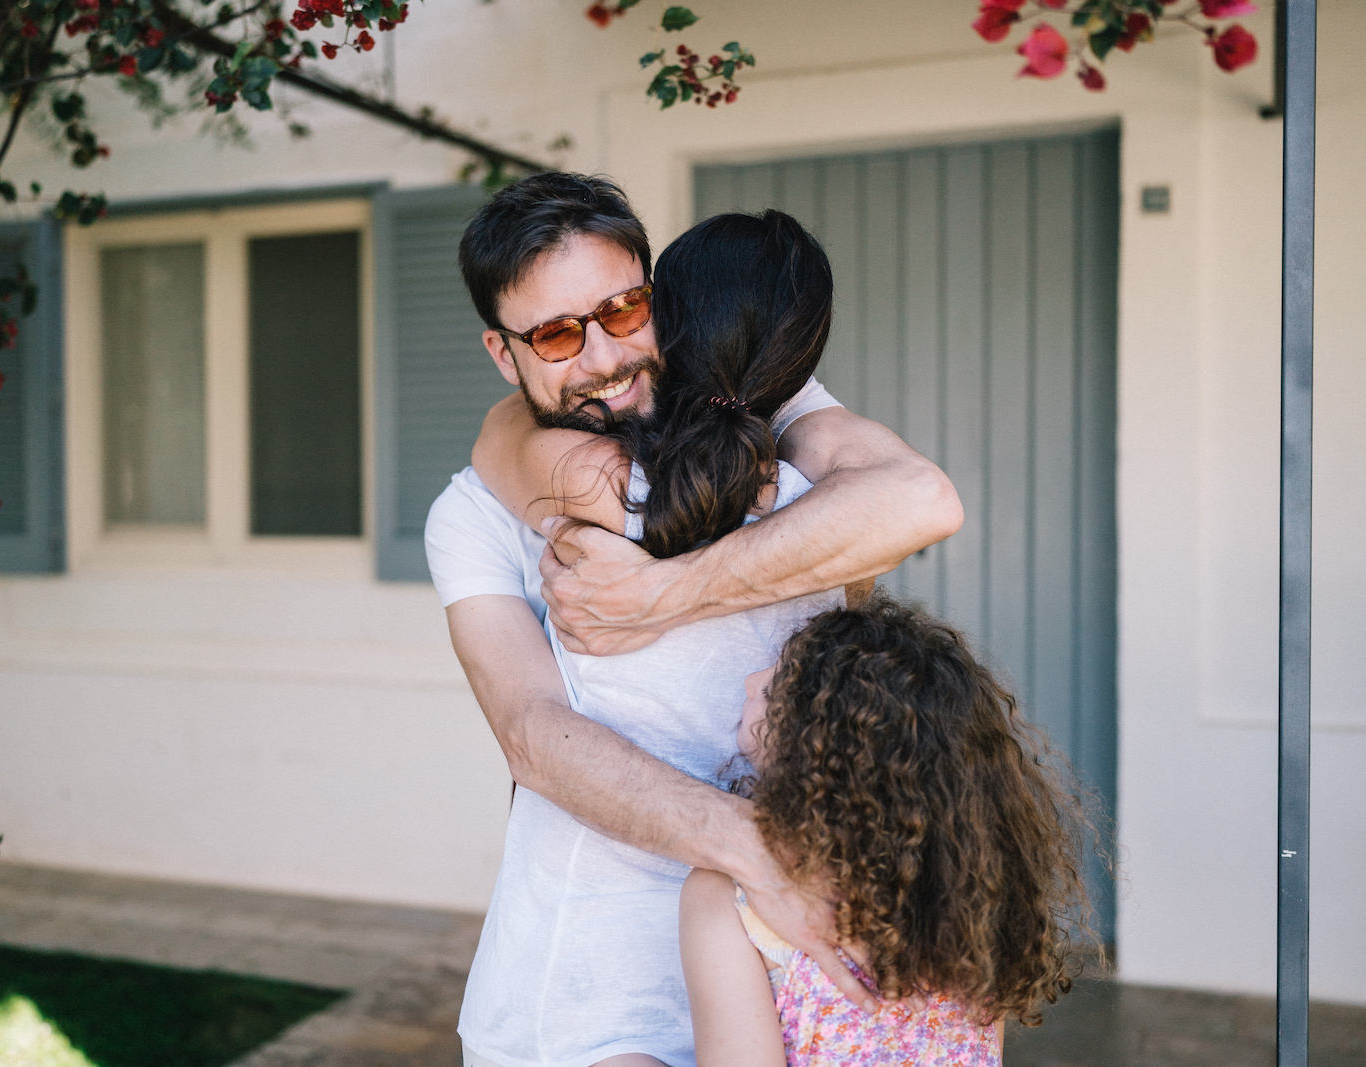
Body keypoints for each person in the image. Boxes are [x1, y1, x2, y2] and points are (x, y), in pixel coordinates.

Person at [424, 173, 963, 1065]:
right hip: (589, 999)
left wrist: (666, 592)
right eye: (557, 334)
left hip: (799, 985)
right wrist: (762, 857)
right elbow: (533, 734)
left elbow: (922, 499)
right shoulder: (478, 511)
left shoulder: (774, 419)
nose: (603, 358)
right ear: (503, 353)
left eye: (624, 310)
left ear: (660, 298)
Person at [680, 599, 1092, 1066]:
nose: (752, 681)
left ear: (825, 750)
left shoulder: (727, 900)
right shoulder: (972, 897)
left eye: (779, 685)